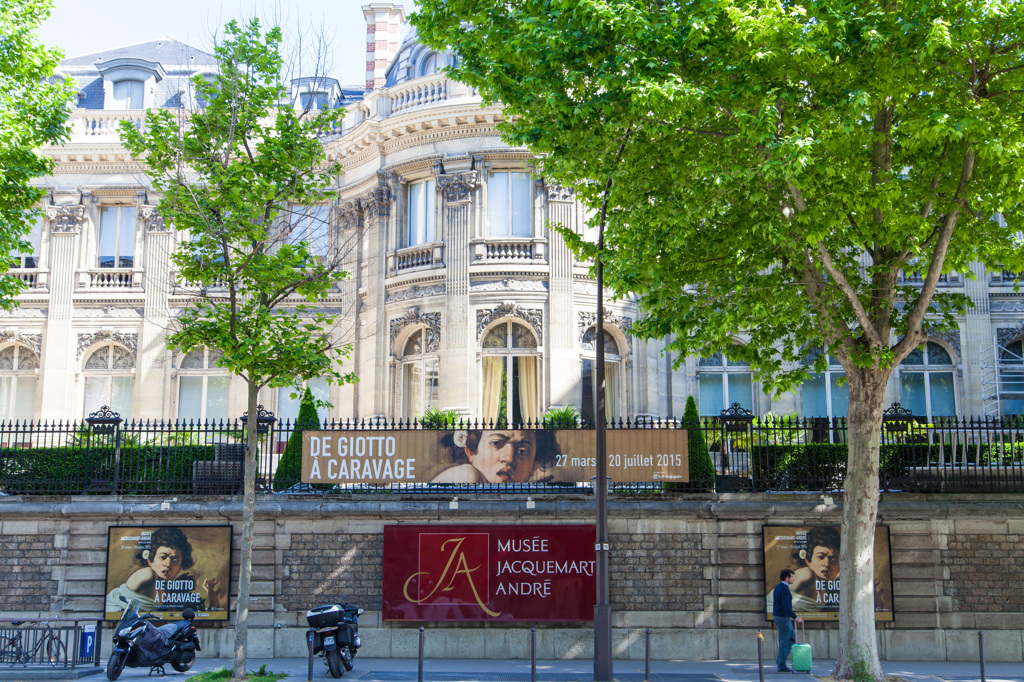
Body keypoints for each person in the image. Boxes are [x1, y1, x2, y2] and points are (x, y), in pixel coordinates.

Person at [105, 527, 224, 614]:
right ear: (150, 561)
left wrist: (210, 592)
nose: (167, 564)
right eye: (163, 557)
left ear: (180, 567)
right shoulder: (147, 574)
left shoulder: (174, 594)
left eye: (175, 560)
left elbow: (210, 614)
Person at [431, 429, 560, 483]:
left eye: (522, 451)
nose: (508, 458)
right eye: (496, 443)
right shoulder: (466, 475)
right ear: (470, 452)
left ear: (534, 467)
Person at [790, 526, 840, 611]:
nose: (827, 564)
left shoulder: (833, 590)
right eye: (820, 557)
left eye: (833, 559)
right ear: (808, 561)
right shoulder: (806, 575)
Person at [773, 568, 804, 673]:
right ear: (787, 578)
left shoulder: (779, 587)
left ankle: (780, 660)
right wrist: (796, 617)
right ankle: (781, 665)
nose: (793, 578)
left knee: (791, 638)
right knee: (784, 641)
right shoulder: (784, 589)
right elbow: (786, 606)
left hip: (781, 617)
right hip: (783, 617)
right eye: (792, 576)